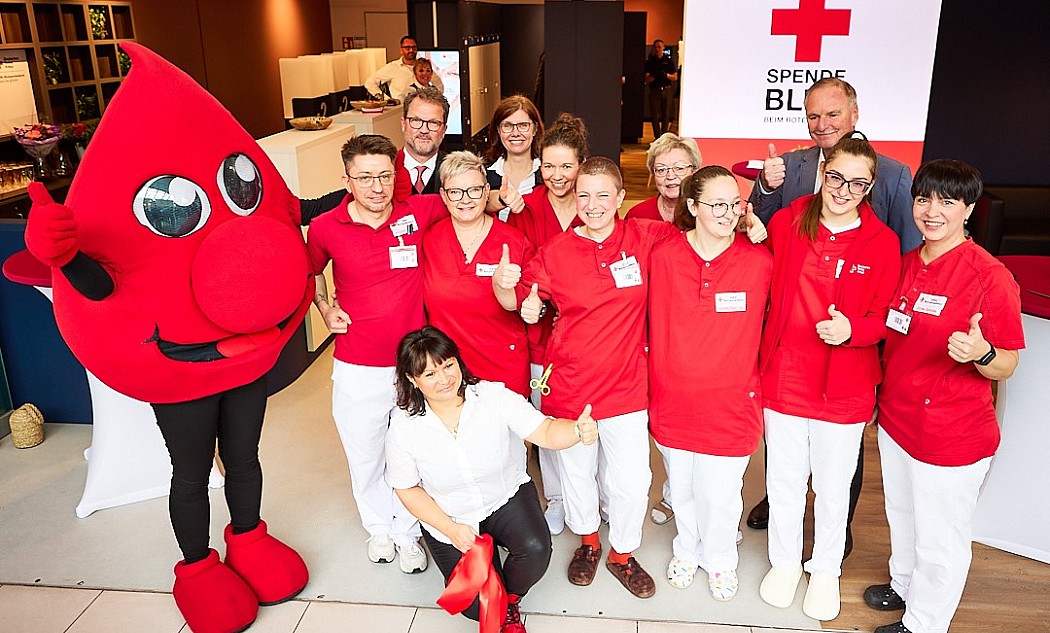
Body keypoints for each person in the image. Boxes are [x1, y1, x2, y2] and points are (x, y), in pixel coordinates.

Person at [745, 76, 922, 547]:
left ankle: (835, 531)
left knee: (839, 460)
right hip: (789, 346)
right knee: (784, 457)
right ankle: (778, 506)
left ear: (854, 115)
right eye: (813, 116)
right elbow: (764, 230)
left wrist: (867, 330)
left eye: (833, 114)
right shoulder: (791, 167)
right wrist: (764, 185)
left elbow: (906, 255)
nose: (822, 124)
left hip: (850, 347)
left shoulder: (895, 175)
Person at [865, 160, 1023, 633]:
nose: (932, 211)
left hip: (951, 433)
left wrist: (983, 352)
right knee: (903, 513)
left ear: (969, 209)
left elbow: (1008, 364)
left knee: (941, 536)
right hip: (898, 421)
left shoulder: (988, 276)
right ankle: (905, 584)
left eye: (948, 202)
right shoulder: (909, 263)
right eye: (924, 199)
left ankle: (924, 624)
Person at [518, 156, 679, 599]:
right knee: (577, 474)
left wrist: (746, 221)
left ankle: (622, 554)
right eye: (583, 194)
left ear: (620, 199)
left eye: (603, 195)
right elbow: (524, 292)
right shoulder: (556, 251)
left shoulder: (646, 239)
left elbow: (700, 232)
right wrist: (528, 303)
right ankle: (588, 543)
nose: (592, 204)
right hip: (571, 386)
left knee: (632, 480)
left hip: (627, 386)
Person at [757, 137, 901, 621]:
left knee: (835, 485)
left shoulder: (882, 242)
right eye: (836, 177)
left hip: (845, 383)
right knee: (783, 479)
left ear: (870, 187)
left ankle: (824, 570)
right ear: (823, 172)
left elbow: (889, 317)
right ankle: (784, 563)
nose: (844, 190)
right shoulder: (789, 220)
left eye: (857, 183)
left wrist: (854, 329)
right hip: (785, 375)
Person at [386, 326, 598, 632]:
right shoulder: (404, 426)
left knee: (535, 550)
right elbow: (406, 488)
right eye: (430, 374)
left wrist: (577, 431)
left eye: (447, 366)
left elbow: (545, 431)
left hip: (504, 496)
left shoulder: (492, 397)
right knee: (475, 608)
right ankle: (494, 596)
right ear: (411, 379)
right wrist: (451, 529)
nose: (444, 379)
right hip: (451, 514)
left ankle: (509, 600)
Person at [306, 134, 448, 575]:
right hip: (357, 366)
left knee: (409, 455)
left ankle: (408, 533)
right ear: (347, 179)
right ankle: (379, 529)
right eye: (365, 177)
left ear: (396, 175)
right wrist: (326, 307)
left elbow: (472, 194)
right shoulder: (327, 227)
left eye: (385, 175)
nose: (377, 186)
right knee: (365, 453)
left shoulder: (418, 212)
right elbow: (310, 274)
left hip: (412, 368)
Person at [648, 166, 772, 600]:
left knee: (721, 495)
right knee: (680, 488)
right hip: (673, 400)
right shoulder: (663, 257)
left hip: (732, 403)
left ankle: (720, 560)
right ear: (694, 207)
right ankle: (686, 549)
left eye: (734, 204)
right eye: (716, 204)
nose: (727, 213)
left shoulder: (759, 261)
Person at [505, 114, 588, 536]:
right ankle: (555, 497)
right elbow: (516, 270)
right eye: (549, 166)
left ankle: (594, 497)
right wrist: (527, 302)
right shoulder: (527, 206)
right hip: (539, 333)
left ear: (581, 165)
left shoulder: (592, 205)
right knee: (548, 420)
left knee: (593, 420)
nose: (558, 176)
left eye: (567, 166)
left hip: (586, 333)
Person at [422, 150, 533, 396]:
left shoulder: (513, 241)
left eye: (474, 190)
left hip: (503, 368)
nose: (465, 200)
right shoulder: (430, 239)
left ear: (486, 192)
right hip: (448, 371)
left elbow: (530, 304)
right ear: (443, 195)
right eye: (455, 192)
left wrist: (508, 290)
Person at [483, 95, 544, 220]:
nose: (515, 133)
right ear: (498, 130)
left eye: (523, 125)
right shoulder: (483, 173)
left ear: (535, 129)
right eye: (507, 126)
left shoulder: (548, 174)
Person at [625, 132, 701, 222]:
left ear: (694, 171)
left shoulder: (705, 214)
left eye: (679, 168)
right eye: (661, 170)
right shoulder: (637, 216)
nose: (670, 176)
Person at [394, 87, 449, 201]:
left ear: (444, 130)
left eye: (433, 123)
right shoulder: (386, 168)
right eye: (416, 121)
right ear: (403, 124)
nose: (424, 130)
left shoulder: (455, 170)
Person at [364, 36, 444, 102]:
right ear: (401, 50)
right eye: (407, 48)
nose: (411, 50)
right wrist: (387, 100)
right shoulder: (392, 67)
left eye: (414, 47)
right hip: (399, 112)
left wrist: (433, 101)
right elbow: (370, 83)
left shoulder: (424, 67)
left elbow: (439, 85)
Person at [644, 40, 677, 137]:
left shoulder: (668, 61)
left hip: (666, 89)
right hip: (654, 90)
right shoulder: (650, 62)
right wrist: (653, 77)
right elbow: (645, 79)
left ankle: (664, 135)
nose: (657, 49)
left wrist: (666, 75)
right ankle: (657, 136)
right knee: (654, 115)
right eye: (655, 47)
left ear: (663, 48)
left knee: (666, 114)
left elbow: (675, 77)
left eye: (659, 47)